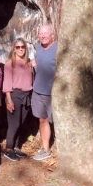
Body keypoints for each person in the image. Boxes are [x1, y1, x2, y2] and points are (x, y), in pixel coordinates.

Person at [2, 38, 34, 162]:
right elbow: (7, 83)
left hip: (26, 96)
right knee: (14, 124)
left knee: (21, 122)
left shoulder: (28, 62)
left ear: (25, 48)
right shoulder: (10, 63)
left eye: (22, 47)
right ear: (14, 49)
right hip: (14, 95)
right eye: (18, 47)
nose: (20, 49)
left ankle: (15, 147)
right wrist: (9, 100)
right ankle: (9, 149)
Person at [32, 24, 58, 161]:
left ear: (52, 34)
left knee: (57, 121)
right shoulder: (38, 48)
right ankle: (46, 149)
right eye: (40, 33)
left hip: (53, 94)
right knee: (42, 120)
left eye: (45, 33)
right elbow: (40, 63)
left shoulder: (57, 49)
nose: (42, 36)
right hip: (38, 92)